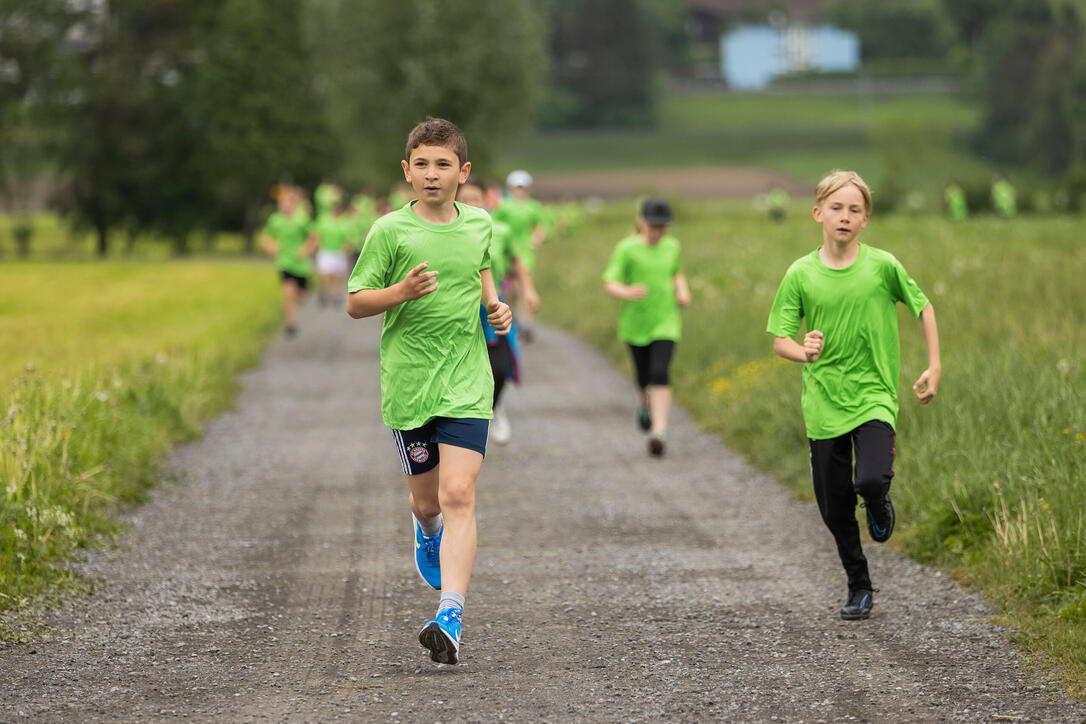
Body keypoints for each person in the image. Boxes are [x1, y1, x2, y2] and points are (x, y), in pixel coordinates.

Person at [346, 117, 511, 665]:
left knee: (460, 493)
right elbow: (356, 301)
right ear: (406, 171)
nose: (432, 174)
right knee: (427, 500)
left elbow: (482, 269)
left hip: (466, 378)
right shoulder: (390, 231)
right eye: (422, 164)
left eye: (443, 164)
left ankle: (450, 615)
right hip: (409, 383)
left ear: (464, 172)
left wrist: (496, 307)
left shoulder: (480, 223)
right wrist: (400, 291)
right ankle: (427, 529)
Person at [766, 170, 941, 621]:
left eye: (855, 210)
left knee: (868, 481)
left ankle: (879, 501)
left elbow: (923, 307)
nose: (845, 217)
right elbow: (780, 339)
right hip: (823, 401)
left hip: (874, 395)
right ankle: (858, 584)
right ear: (818, 213)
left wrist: (934, 365)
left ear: (866, 219)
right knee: (834, 507)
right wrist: (803, 352)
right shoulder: (800, 273)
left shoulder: (883, 266)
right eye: (837, 208)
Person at [602, 198, 691, 457]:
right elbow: (610, 281)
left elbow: (677, 272)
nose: (659, 232)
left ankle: (658, 432)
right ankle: (644, 402)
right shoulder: (627, 248)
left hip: (666, 321)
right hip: (635, 323)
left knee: (660, 372)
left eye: (663, 227)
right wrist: (627, 291)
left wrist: (682, 291)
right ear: (641, 223)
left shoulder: (672, 246)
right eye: (654, 227)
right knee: (643, 375)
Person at [457, 177, 539, 445]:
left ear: (486, 202)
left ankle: (494, 408)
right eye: (464, 199)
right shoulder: (446, 231)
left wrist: (528, 291)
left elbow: (518, 263)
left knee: (500, 368)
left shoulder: (500, 230)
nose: (470, 204)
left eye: (476, 199)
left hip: (493, 306)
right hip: (457, 308)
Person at [493, 170, 548, 342]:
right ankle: (510, 317)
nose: (519, 191)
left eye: (522, 187)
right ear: (510, 188)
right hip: (506, 252)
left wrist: (537, 238)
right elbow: (495, 225)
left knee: (524, 286)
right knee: (509, 290)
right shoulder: (504, 205)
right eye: (516, 187)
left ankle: (526, 324)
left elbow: (542, 225)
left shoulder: (533, 206)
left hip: (524, 253)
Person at [259, 185, 317, 337]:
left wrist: (305, 251)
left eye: (286, 202)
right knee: (287, 292)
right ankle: (291, 323)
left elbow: (314, 238)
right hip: (284, 262)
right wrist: (270, 247)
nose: (283, 205)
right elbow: (265, 237)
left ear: (293, 204)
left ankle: (300, 296)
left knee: (301, 296)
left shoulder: (302, 219)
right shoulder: (275, 220)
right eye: (281, 202)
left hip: (301, 264)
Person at [313, 184, 352, 306]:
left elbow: (349, 238)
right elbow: (317, 233)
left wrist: (347, 248)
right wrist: (317, 247)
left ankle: (336, 296)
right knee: (325, 275)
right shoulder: (323, 219)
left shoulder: (344, 221)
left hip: (338, 251)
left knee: (337, 276)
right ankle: (323, 292)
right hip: (326, 250)